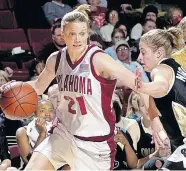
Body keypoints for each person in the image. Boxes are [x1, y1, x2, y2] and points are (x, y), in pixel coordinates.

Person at [0, 4, 164, 170]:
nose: (78, 39)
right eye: (72, 34)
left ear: (88, 34)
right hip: (63, 133)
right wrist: (12, 88)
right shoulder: (55, 59)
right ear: (62, 35)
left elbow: (140, 86)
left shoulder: (99, 59)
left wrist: (155, 120)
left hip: (94, 143)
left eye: (82, 33)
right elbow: (37, 86)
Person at [137, 27, 186, 151]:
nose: (139, 58)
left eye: (143, 52)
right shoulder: (176, 66)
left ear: (158, 53)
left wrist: (142, 86)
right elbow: (155, 95)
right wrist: (155, 119)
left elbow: (161, 86)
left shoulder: (160, 69)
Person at [16, 100, 55, 166]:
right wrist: (42, 134)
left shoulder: (59, 128)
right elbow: (30, 161)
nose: (47, 114)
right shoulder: (23, 132)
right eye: (42, 111)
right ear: (34, 113)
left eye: (50, 110)